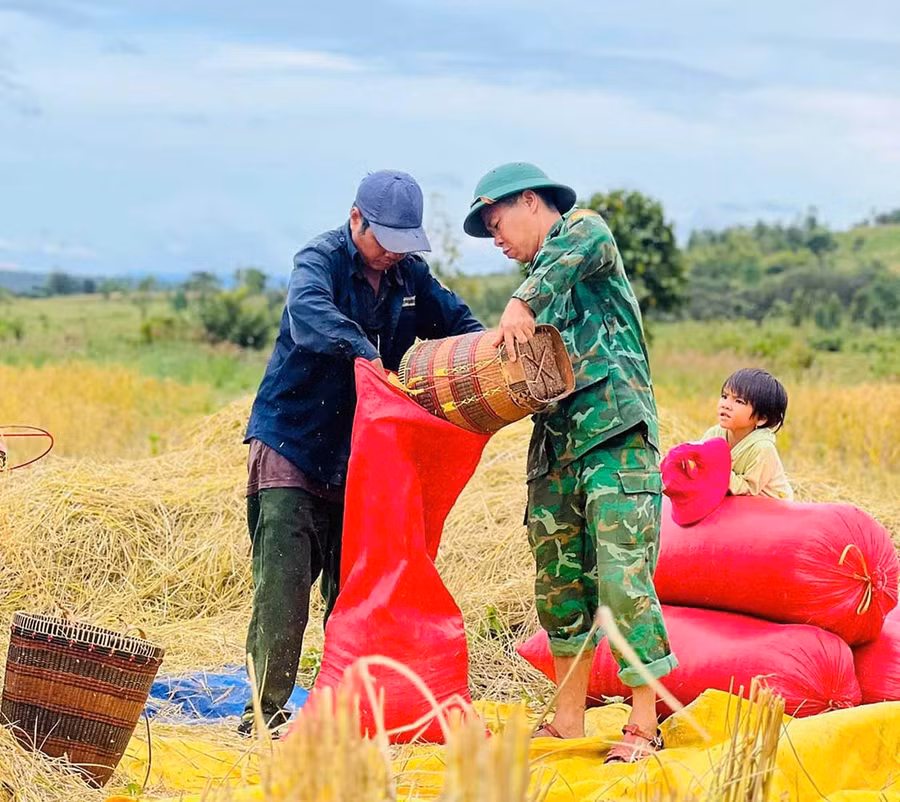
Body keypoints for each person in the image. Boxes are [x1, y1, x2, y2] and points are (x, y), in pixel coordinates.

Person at [240, 170, 483, 736]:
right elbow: (309, 318)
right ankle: (264, 718)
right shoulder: (318, 260)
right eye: (384, 242)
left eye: (404, 245)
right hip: (292, 446)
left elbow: (458, 324)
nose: (391, 256)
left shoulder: (409, 276)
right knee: (283, 593)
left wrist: (484, 358)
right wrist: (366, 355)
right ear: (356, 221)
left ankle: (343, 710)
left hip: (362, 459)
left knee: (356, 593)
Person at [464, 162, 676, 763]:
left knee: (622, 578)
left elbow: (574, 250)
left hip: (614, 438)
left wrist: (522, 301)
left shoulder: (585, 235)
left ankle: (642, 723)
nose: (495, 236)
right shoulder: (536, 286)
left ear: (531, 201)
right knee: (559, 585)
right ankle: (568, 719)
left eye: (496, 220)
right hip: (555, 447)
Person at [702, 367, 793, 500]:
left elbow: (748, 489)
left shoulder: (763, 449)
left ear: (762, 418)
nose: (726, 405)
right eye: (724, 396)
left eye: (739, 401)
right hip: (730, 498)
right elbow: (698, 458)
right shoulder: (714, 434)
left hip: (768, 507)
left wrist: (715, 471)